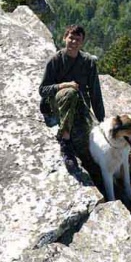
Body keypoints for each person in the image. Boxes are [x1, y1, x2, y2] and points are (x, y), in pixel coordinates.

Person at [39, 25, 105, 170]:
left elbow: (95, 92)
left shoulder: (88, 62)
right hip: (59, 102)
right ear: (64, 38)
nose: (73, 42)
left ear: (82, 42)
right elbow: (43, 90)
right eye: (71, 38)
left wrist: (101, 120)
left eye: (77, 39)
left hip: (80, 105)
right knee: (70, 92)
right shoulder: (55, 60)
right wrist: (62, 85)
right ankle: (65, 141)